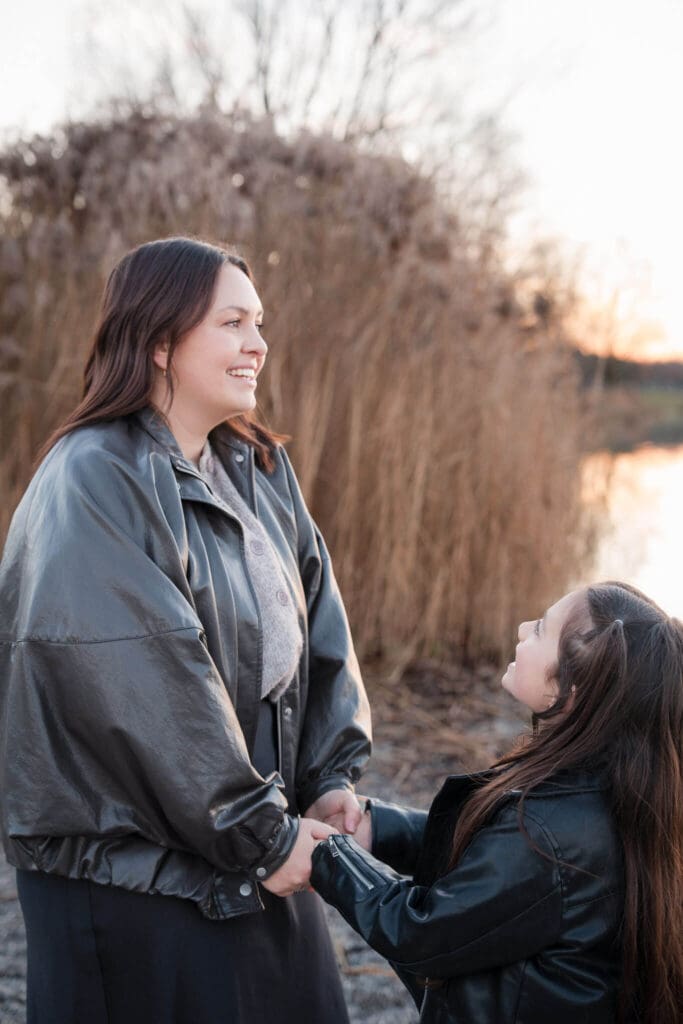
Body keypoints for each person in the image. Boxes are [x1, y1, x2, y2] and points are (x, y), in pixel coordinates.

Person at [0, 236, 372, 1024]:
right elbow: (146, 685)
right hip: (134, 873)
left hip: (246, 834)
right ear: (160, 340)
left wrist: (331, 776)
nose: (259, 344)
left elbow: (320, 633)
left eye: (259, 321)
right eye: (233, 322)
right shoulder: (92, 478)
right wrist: (264, 837)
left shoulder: (257, 470)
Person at [311, 581, 683, 1024]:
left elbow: (421, 932)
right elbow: (496, 862)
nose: (524, 628)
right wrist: (380, 830)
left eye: (541, 630)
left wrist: (325, 855)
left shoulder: (550, 833)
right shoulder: (615, 786)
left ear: (574, 688)